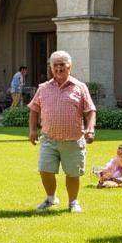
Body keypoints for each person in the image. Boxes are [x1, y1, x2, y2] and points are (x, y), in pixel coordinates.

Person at [28, 50, 96, 214]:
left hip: (73, 140)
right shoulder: (43, 88)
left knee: (72, 173)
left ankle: (73, 202)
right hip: (49, 139)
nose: (58, 68)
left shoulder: (79, 87)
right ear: (51, 67)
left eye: (62, 65)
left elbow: (90, 111)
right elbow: (34, 110)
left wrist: (90, 128)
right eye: (55, 65)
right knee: (45, 170)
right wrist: (32, 130)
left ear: (69, 67)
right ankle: (51, 198)